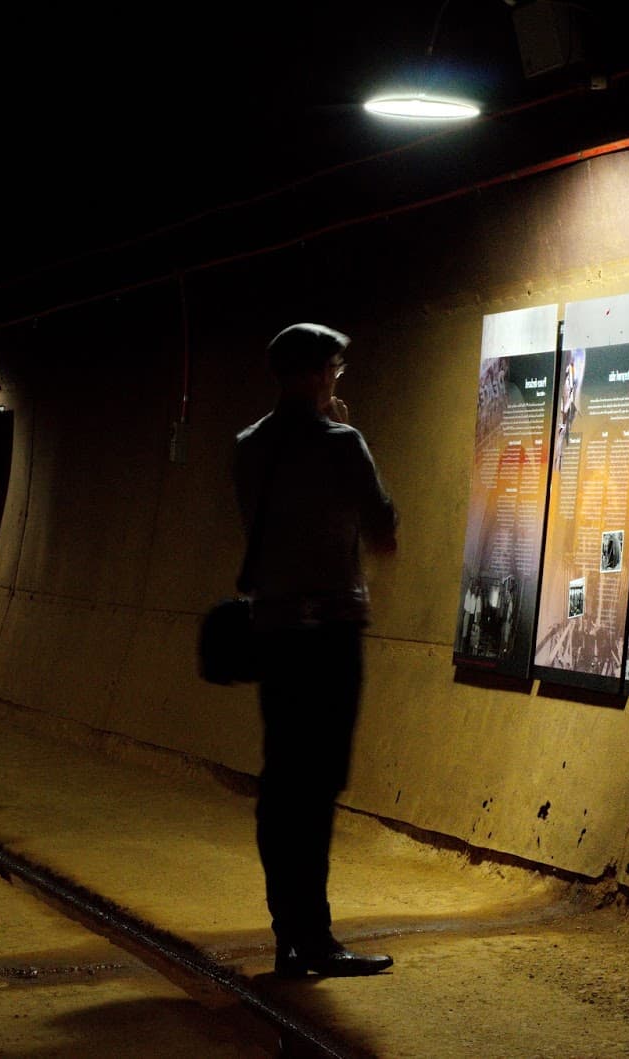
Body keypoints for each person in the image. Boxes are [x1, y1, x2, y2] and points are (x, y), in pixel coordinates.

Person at [233, 323, 398, 977]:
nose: (337, 377)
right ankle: (317, 936)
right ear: (313, 374)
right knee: (319, 782)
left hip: (273, 631)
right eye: (334, 367)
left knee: (282, 780)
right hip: (329, 632)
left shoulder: (248, 447)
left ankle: (287, 930)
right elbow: (383, 525)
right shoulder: (341, 441)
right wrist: (344, 434)